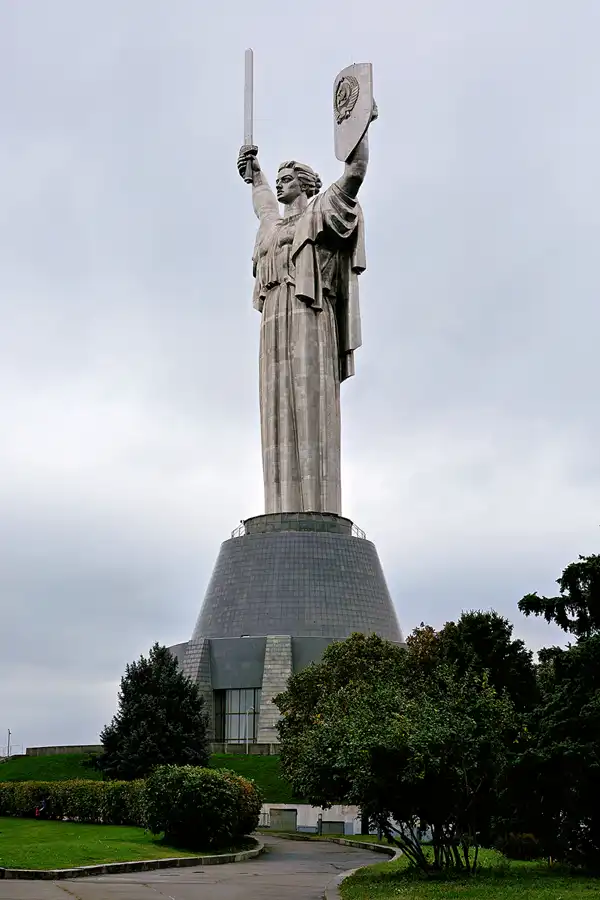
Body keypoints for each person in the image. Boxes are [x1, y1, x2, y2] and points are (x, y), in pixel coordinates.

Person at [237, 102, 377, 515]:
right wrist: (255, 173)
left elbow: (354, 175)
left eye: (286, 179)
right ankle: (280, 509)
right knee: (277, 408)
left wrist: (358, 129)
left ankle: (318, 509)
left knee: (310, 403)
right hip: (274, 325)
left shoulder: (320, 212)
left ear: (304, 184)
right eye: (277, 180)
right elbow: (262, 202)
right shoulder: (271, 228)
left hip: (310, 315)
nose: (279, 186)